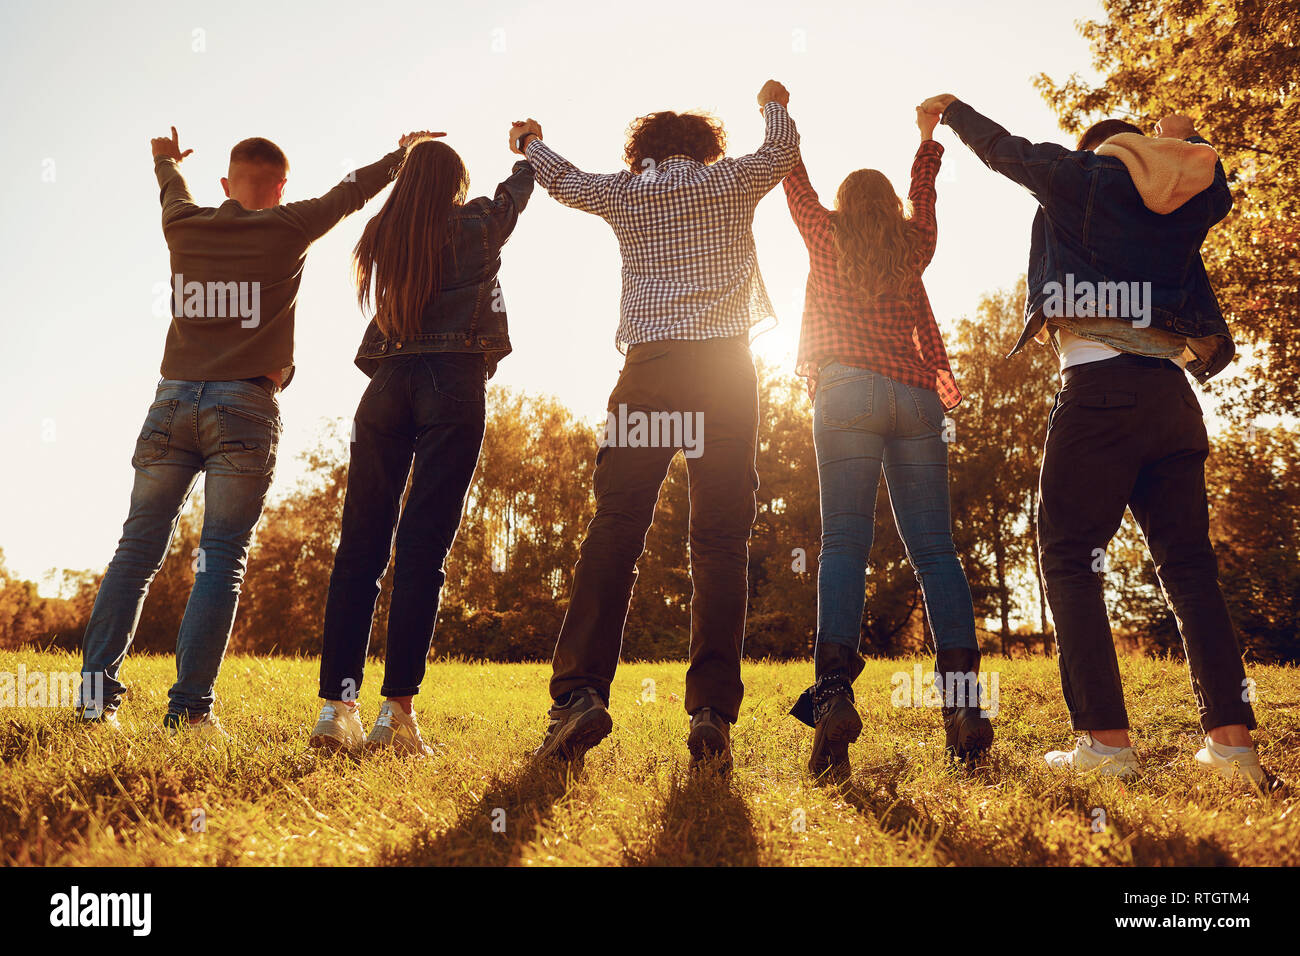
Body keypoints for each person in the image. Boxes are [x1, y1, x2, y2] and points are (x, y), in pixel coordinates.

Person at [921, 93, 1271, 788]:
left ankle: (1106, 747)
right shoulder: (1186, 200)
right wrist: (1183, 139)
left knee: (1072, 558)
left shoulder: (1087, 178)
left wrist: (952, 111)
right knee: (1190, 569)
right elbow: (1213, 183)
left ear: (1094, 151)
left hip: (1100, 391)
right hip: (1172, 398)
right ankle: (1235, 752)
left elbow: (1009, 153)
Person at [77, 127, 410, 739]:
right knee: (220, 559)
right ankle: (190, 711)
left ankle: (96, 705)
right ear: (282, 187)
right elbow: (353, 190)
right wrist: (402, 152)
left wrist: (165, 159)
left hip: (171, 401)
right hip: (245, 407)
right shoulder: (289, 225)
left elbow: (171, 189)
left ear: (226, 184)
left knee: (135, 552)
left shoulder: (185, 224)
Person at [512, 80, 799, 773]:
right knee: (722, 543)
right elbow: (783, 150)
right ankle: (710, 711)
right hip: (726, 377)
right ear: (706, 149)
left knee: (615, 531)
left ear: (642, 151)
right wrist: (773, 103)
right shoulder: (732, 181)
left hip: (651, 375)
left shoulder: (624, 192)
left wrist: (528, 140)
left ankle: (579, 695)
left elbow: (562, 179)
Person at [308, 136, 534, 756]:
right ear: (456, 186)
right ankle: (396, 714)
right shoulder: (479, 224)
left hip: (385, 388)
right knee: (421, 551)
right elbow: (518, 193)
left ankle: (335, 710)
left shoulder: (385, 230)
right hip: (452, 384)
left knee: (359, 549)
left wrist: (397, 157)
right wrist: (527, 149)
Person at [782, 105, 990, 779]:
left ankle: (835, 693)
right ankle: (962, 708)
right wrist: (928, 141)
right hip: (914, 394)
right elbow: (925, 195)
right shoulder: (914, 242)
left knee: (845, 542)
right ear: (890, 205)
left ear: (845, 205)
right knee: (936, 550)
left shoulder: (823, 232)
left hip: (845, 391)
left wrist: (781, 113)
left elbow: (795, 182)